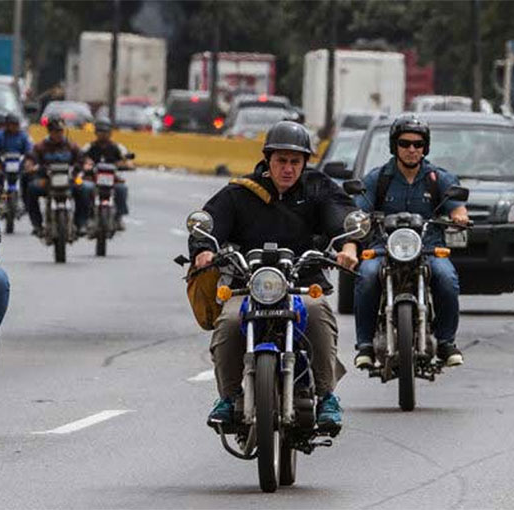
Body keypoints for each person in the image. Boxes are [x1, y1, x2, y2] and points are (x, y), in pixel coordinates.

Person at [188, 120, 359, 435]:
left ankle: (326, 396)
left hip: (302, 282)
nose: (288, 168)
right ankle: (229, 396)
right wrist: (204, 250)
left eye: (295, 161)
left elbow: (342, 216)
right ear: (267, 159)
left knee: (318, 313)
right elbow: (210, 223)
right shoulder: (240, 192)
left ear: (305, 162)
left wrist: (348, 246)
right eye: (281, 160)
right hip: (247, 283)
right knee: (229, 322)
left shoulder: (317, 188)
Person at [353, 113, 469, 370]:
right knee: (367, 275)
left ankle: (446, 342)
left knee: (447, 278)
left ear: (425, 147)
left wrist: (459, 216)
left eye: (418, 144)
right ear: (394, 146)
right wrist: (358, 223)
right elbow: (359, 212)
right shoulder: (378, 178)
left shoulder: (438, 178)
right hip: (384, 248)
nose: (411, 149)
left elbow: (457, 207)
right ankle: (365, 345)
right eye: (404, 143)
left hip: (428, 247)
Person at [27, 115, 83, 236]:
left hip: (69, 181)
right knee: (31, 188)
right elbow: (31, 160)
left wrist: (82, 166)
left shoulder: (71, 146)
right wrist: (31, 166)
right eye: (55, 131)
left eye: (60, 131)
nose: (58, 134)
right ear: (49, 131)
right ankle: (37, 224)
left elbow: (81, 159)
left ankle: (80, 224)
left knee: (85, 189)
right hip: (47, 182)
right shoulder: (40, 147)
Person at [78, 117, 132, 230]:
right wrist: (85, 164)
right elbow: (80, 157)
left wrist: (126, 164)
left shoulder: (117, 147)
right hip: (93, 178)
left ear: (110, 132)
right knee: (84, 189)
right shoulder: (89, 146)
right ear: (96, 132)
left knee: (122, 188)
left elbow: (126, 158)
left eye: (105, 131)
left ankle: (118, 217)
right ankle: (85, 218)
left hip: (112, 180)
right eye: (100, 131)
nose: (103, 134)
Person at [0, 113, 35, 211]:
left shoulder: (23, 136)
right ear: (7, 125)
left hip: (19, 165)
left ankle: (27, 202)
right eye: (12, 124)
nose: (14, 127)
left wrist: (29, 158)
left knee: (29, 178)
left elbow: (29, 148)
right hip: (2, 164)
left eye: (16, 124)